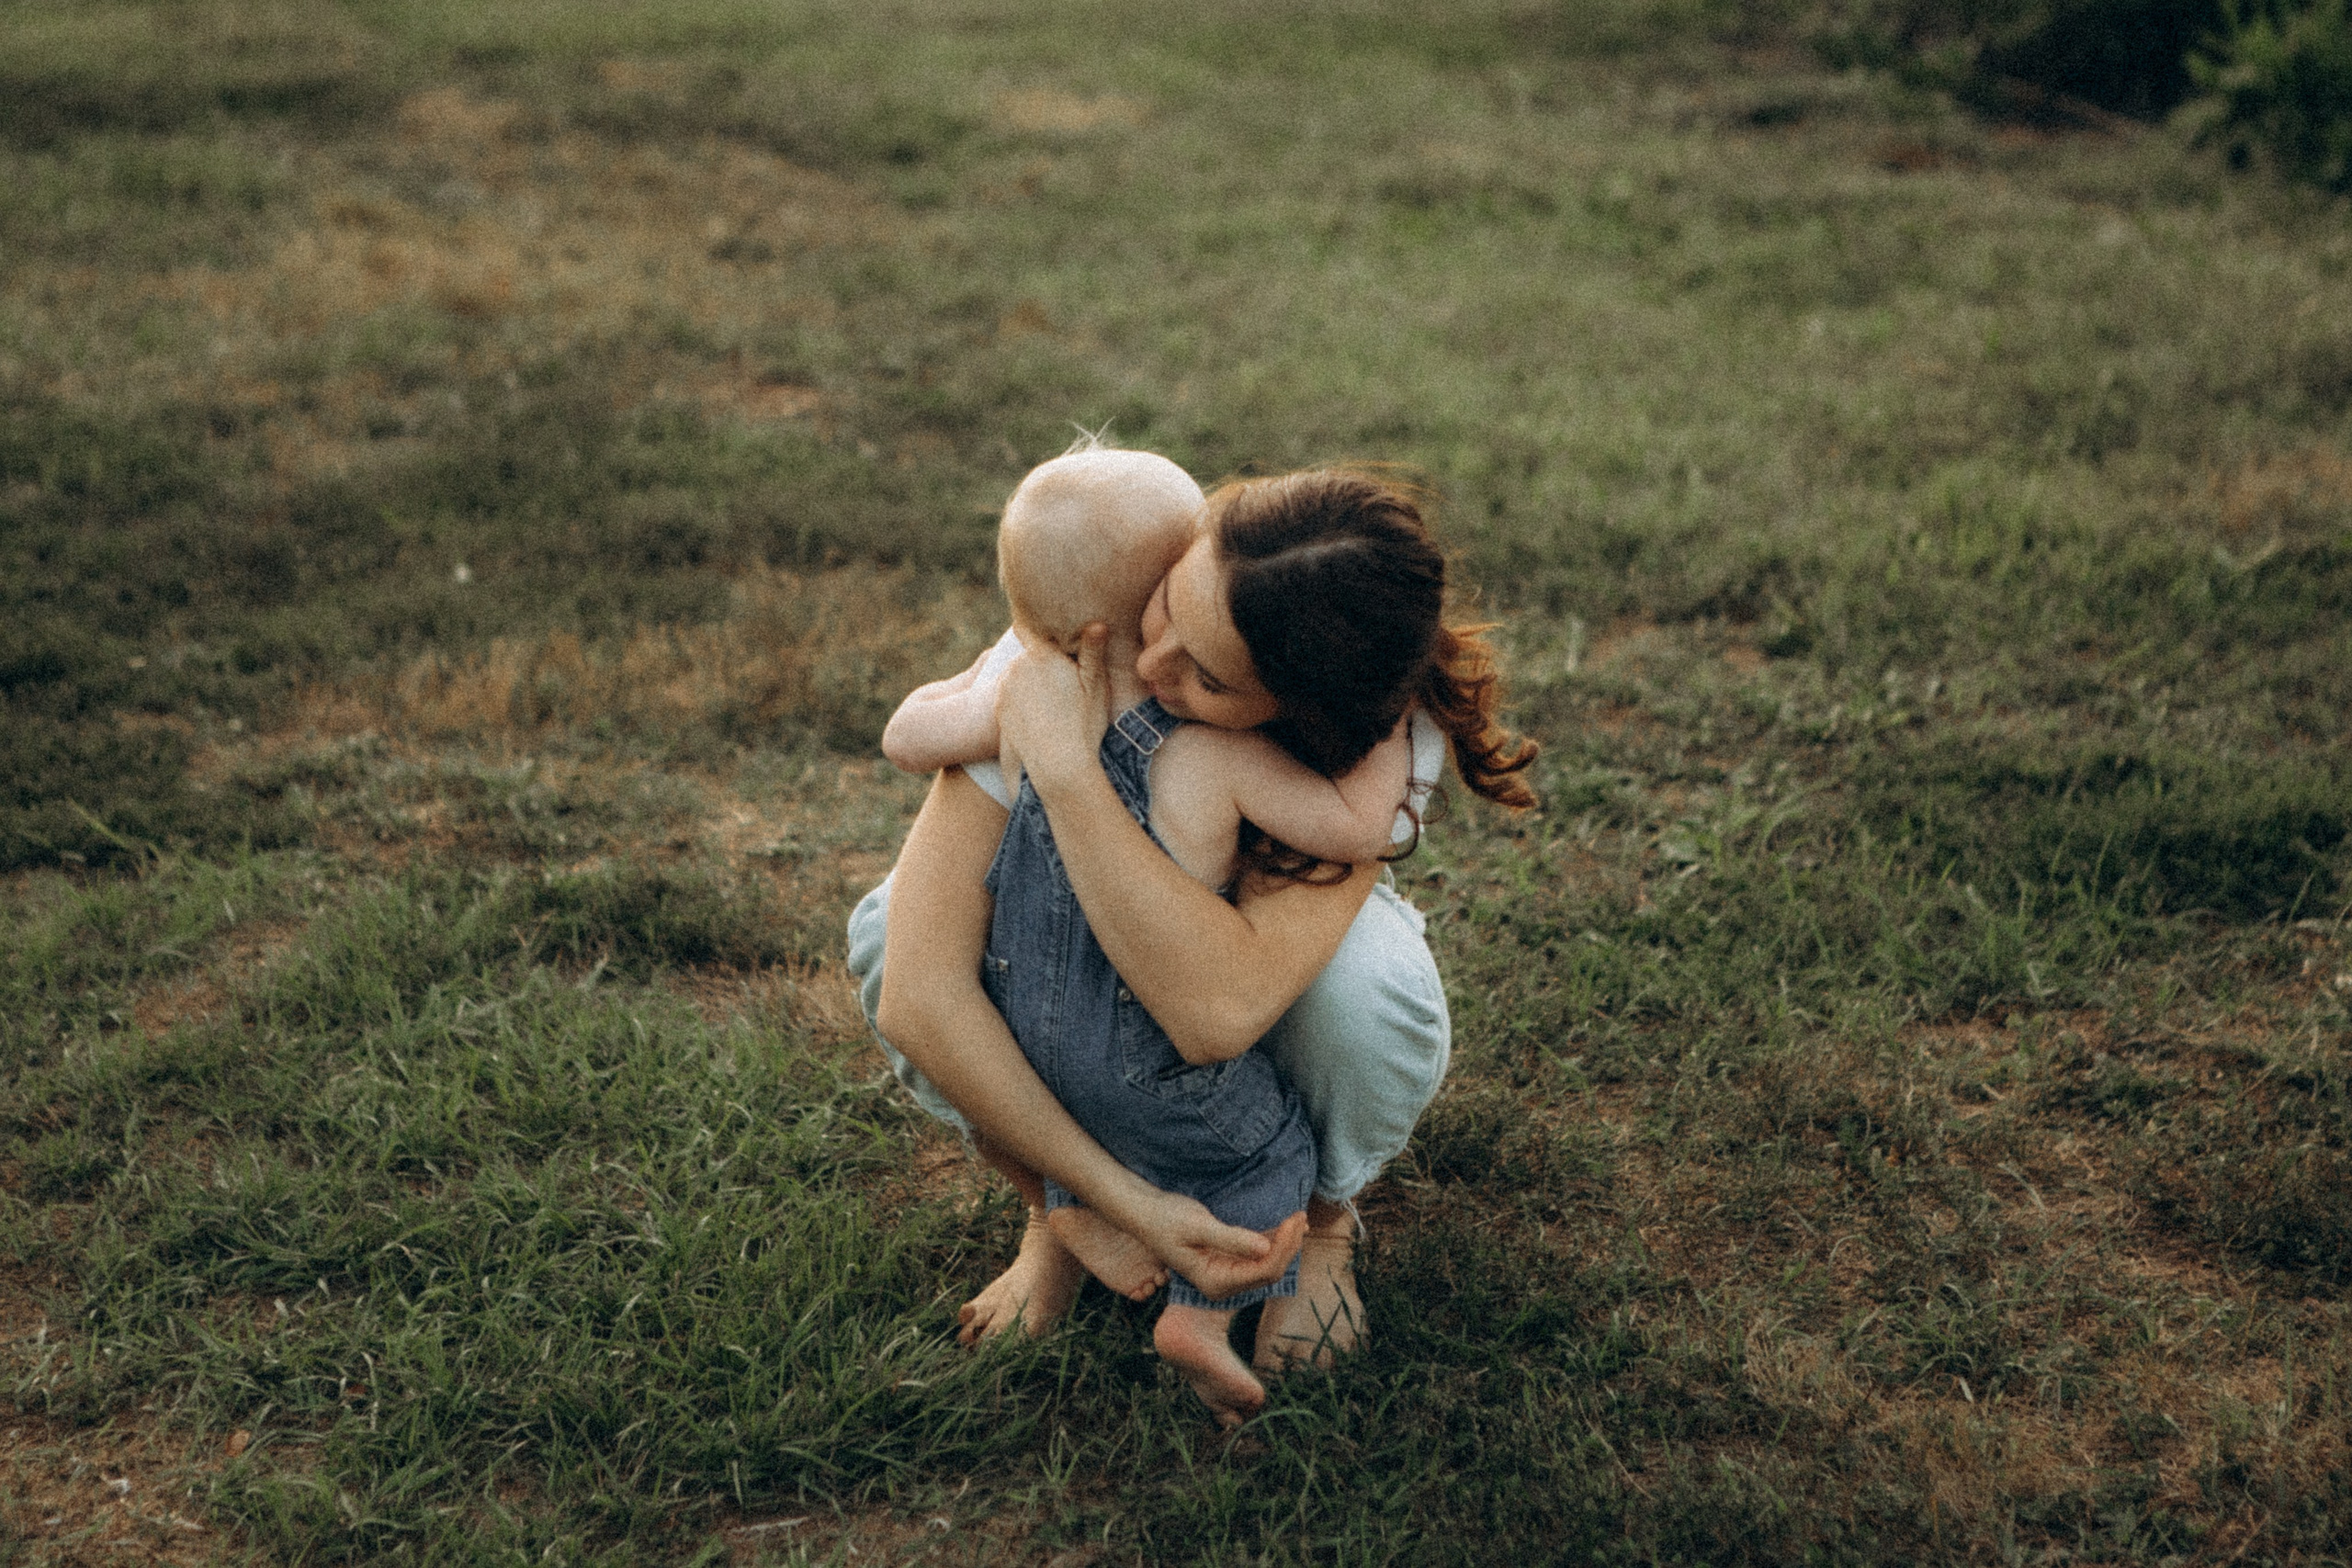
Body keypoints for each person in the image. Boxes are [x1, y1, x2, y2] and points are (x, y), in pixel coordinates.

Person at [849, 463, 1535, 1403]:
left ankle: (1319, 1227)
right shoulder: (1090, 630)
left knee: (1363, 992)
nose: (1153, 668)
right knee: (895, 928)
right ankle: (1055, 1216)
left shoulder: (1351, 736)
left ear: (1299, 715)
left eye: (1209, 677)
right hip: (1063, 969)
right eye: (1167, 607)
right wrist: (1105, 1197)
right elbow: (920, 992)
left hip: (1229, 982)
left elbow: (1216, 1014)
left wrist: (1067, 770)